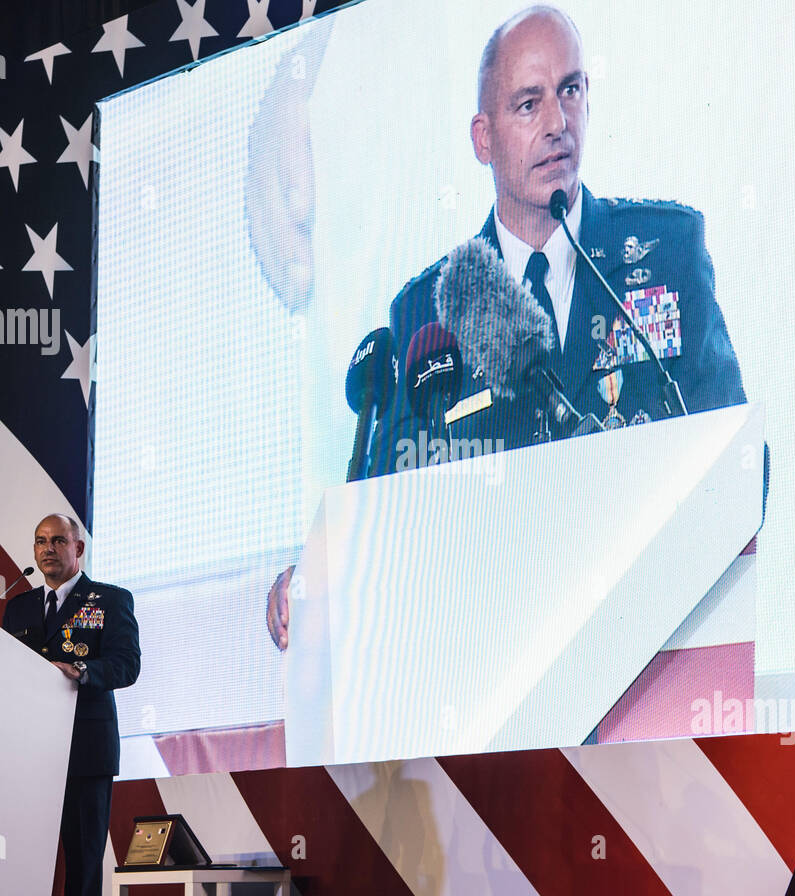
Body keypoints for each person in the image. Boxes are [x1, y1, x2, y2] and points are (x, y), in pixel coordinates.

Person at [267, 4, 755, 649]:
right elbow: (388, 510)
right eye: (528, 104)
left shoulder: (665, 250)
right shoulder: (429, 309)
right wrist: (319, 579)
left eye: (570, 91)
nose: (557, 123)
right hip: (496, 663)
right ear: (483, 138)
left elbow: (740, 457)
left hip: (655, 651)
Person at [2, 513, 141, 896]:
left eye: (58, 541)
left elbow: (127, 665)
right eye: (41, 541)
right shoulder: (18, 608)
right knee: (25, 865)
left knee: (82, 869)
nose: (48, 549)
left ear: (78, 549)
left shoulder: (110, 600)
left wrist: (83, 672)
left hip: (85, 754)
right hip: (31, 756)